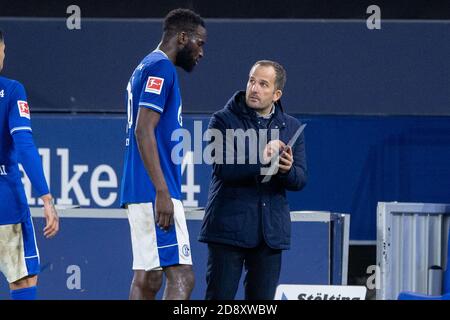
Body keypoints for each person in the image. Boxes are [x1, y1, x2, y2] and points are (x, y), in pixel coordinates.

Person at [199, 60, 307, 300]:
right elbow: (223, 167)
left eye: (263, 84)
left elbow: (300, 179)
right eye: (251, 81)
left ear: (276, 94)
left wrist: (286, 170)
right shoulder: (223, 120)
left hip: (269, 236)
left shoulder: (291, 126)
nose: (254, 88)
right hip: (228, 231)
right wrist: (263, 157)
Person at [119, 9, 206, 300]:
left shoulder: (144, 65)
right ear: (182, 37)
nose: (201, 52)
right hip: (153, 188)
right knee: (183, 276)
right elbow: (143, 130)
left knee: (149, 276)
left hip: (139, 188)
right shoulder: (161, 68)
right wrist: (162, 191)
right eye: (200, 43)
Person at [0, 29, 59, 300]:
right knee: (23, 282)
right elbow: (24, 145)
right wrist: (46, 197)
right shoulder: (12, 90)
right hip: (5, 203)